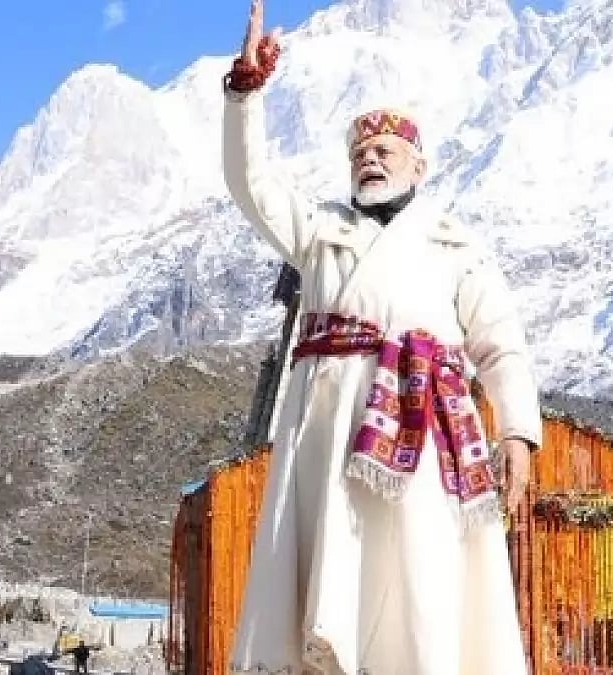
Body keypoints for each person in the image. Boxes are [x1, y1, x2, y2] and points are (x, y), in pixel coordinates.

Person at [219, 1, 544, 673]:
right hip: (328, 439)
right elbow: (251, 185)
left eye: (384, 150)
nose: (369, 159)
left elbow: (501, 342)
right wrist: (246, 93)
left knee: (421, 580)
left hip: (424, 440)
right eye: (360, 153)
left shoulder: (456, 245)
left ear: (418, 165)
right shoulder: (320, 233)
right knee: (328, 585)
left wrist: (517, 430)